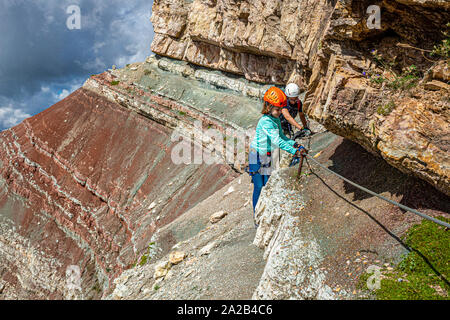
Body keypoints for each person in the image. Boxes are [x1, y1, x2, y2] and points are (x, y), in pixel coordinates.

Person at [247, 87, 307, 227]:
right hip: (256, 155)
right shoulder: (266, 122)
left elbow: (282, 137)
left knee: (267, 185)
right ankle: (256, 216)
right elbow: (277, 141)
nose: (280, 112)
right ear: (268, 106)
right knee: (259, 186)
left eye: (281, 109)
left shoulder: (275, 120)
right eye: (278, 109)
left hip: (265, 156)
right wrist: (294, 152)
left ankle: (264, 212)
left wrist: (295, 144)